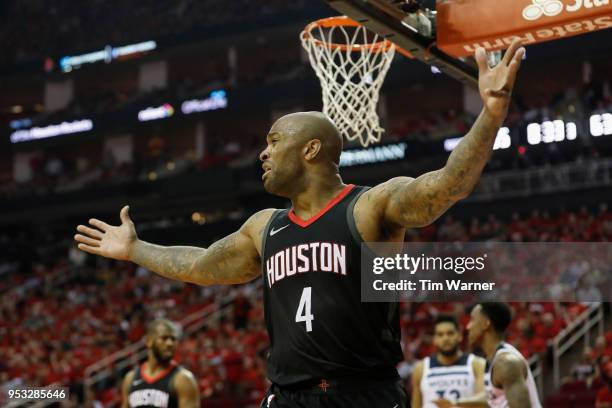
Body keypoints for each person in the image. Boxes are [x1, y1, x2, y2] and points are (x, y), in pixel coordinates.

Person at [75, 40, 526, 408]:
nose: (263, 153)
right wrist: (136, 249)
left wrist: (489, 115)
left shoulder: (368, 207)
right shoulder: (264, 227)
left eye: (274, 141)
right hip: (288, 396)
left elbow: (447, 186)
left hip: (364, 394)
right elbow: (201, 265)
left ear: (310, 150)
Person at [461, 303, 542, 408]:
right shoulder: (491, 359)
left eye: (472, 320)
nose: (468, 326)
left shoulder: (506, 362)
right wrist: (457, 403)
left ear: (486, 324)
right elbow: (491, 398)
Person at [121, 319, 199, 408]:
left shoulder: (183, 380)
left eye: (173, 339)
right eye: (164, 338)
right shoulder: (130, 378)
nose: (170, 343)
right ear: (148, 341)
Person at [411, 315, 486, 408]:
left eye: (450, 333)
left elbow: (483, 403)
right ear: (434, 339)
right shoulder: (421, 368)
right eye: (440, 334)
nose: (445, 338)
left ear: (459, 336)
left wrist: (454, 403)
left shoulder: (476, 364)